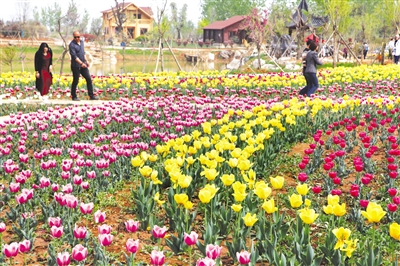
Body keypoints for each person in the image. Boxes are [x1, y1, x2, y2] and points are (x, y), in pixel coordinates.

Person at [69, 31, 98, 101]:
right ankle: (74, 96)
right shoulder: (71, 45)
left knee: (89, 79)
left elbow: (83, 52)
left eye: (78, 37)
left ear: (80, 36)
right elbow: (74, 56)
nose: (77, 38)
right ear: (73, 37)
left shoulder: (82, 42)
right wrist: (81, 63)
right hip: (76, 65)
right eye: (75, 37)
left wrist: (86, 61)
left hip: (83, 65)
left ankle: (91, 96)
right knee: (76, 80)